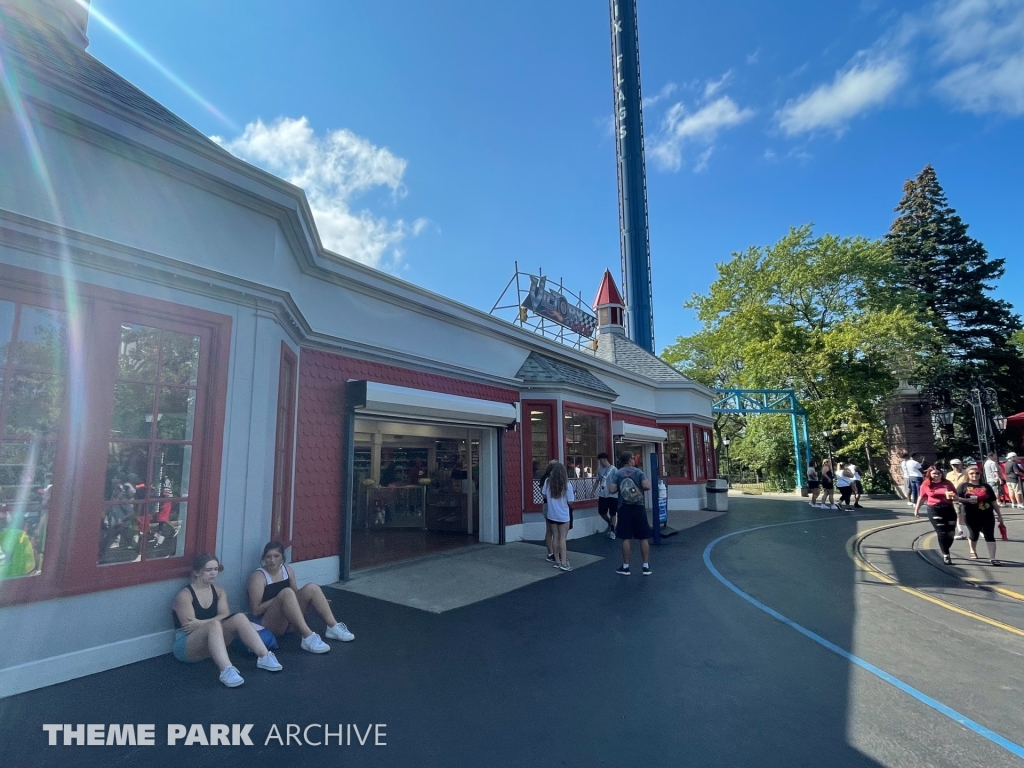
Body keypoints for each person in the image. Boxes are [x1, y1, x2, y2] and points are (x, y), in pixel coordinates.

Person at [172, 553, 282, 688]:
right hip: (187, 647)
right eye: (208, 570)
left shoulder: (219, 591)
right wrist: (212, 622)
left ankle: (264, 656)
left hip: (212, 644)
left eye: (215, 569)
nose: (213, 573)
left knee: (240, 617)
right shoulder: (185, 595)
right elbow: (188, 627)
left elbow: (225, 615)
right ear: (196, 572)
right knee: (214, 624)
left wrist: (201, 623)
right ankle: (226, 670)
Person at [248, 541, 355, 652]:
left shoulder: (288, 570)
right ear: (264, 558)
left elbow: (296, 593)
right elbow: (255, 611)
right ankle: (307, 637)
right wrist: (279, 598)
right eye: (268, 557)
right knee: (287, 593)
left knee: (312, 587)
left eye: (276, 556)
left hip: (289, 623)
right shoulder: (258, 577)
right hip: (270, 625)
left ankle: (333, 627)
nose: (272, 560)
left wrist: (318, 600)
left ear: (282, 557)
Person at [914, 465, 973, 565]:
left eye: (938, 473)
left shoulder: (947, 483)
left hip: (948, 508)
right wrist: (917, 509)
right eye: (934, 473)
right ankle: (946, 555)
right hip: (934, 509)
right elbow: (922, 497)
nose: (936, 475)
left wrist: (954, 496)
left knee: (950, 533)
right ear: (930, 474)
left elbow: (955, 496)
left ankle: (945, 547)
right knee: (942, 532)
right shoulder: (926, 484)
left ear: (942, 474)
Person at [610, 451, 653, 576]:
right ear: (630, 460)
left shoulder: (618, 473)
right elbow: (647, 486)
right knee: (643, 537)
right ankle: (645, 566)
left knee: (625, 537)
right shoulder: (638, 472)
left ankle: (626, 567)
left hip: (624, 508)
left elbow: (612, 489)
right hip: (638, 507)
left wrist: (621, 488)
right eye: (633, 458)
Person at [956, 464, 1005, 565]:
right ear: (967, 474)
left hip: (987, 514)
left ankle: (992, 558)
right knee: (974, 534)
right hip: (970, 514)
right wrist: (967, 500)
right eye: (972, 473)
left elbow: (993, 502)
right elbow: (956, 498)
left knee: (989, 535)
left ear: (980, 474)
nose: (975, 475)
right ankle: (972, 549)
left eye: (977, 473)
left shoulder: (986, 486)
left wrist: (999, 515)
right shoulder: (963, 486)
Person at [541, 462, 574, 572]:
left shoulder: (547, 482)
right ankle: (564, 562)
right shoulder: (567, 485)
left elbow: (544, 495)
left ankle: (557, 561)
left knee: (555, 537)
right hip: (563, 515)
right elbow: (570, 502)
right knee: (562, 539)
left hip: (552, 514)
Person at [596, 452, 618, 538]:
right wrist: (593, 491)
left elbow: (617, 481)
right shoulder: (599, 469)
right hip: (603, 494)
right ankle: (610, 523)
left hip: (612, 495)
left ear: (604, 459)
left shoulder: (614, 469)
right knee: (602, 512)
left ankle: (612, 531)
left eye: (600, 460)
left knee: (613, 513)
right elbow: (597, 481)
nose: (600, 462)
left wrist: (616, 490)